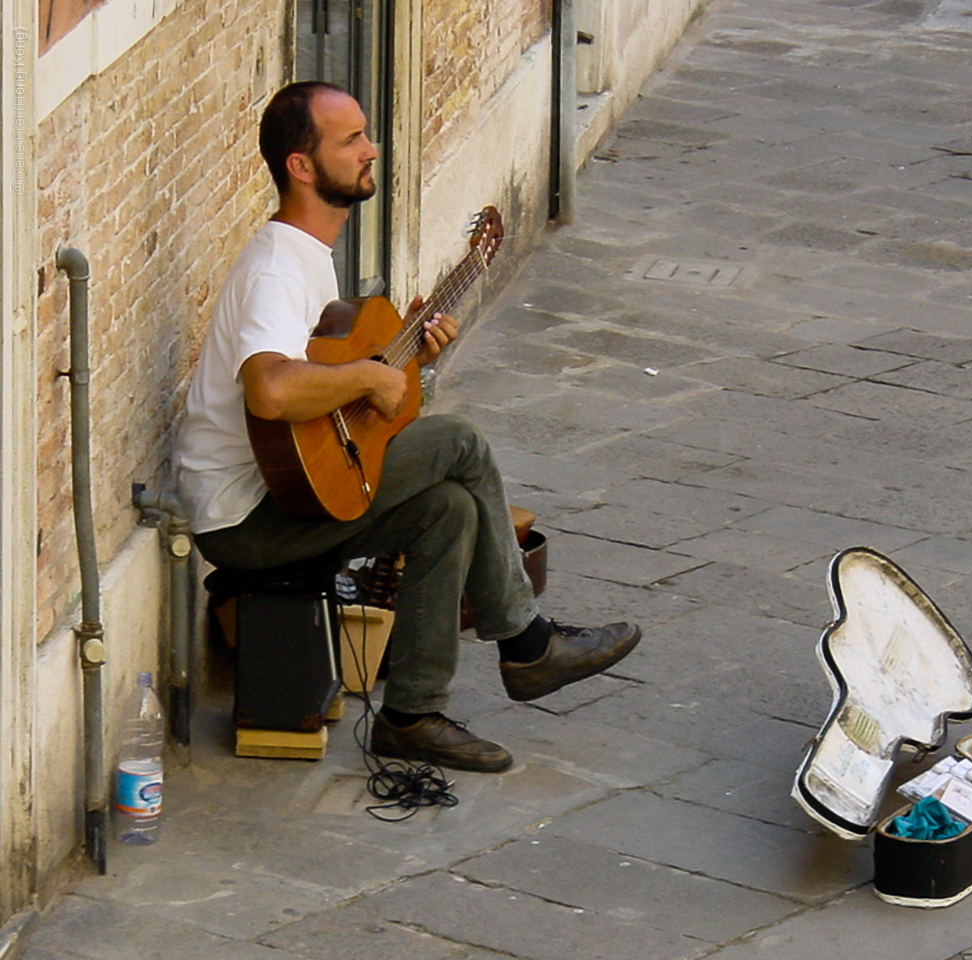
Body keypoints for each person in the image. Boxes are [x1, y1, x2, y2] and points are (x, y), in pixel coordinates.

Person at [174, 81, 640, 773]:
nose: (372, 149)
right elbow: (271, 391)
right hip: (243, 518)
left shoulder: (310, 257)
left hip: (285, 495)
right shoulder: (277, 267)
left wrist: (401, 361)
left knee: (448, 509)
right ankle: (527, 643)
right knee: (460, 443)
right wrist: (369, 377)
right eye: (351, 140)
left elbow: (324, 398)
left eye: (367, 134)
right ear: (301, 167)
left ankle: (412, 716)